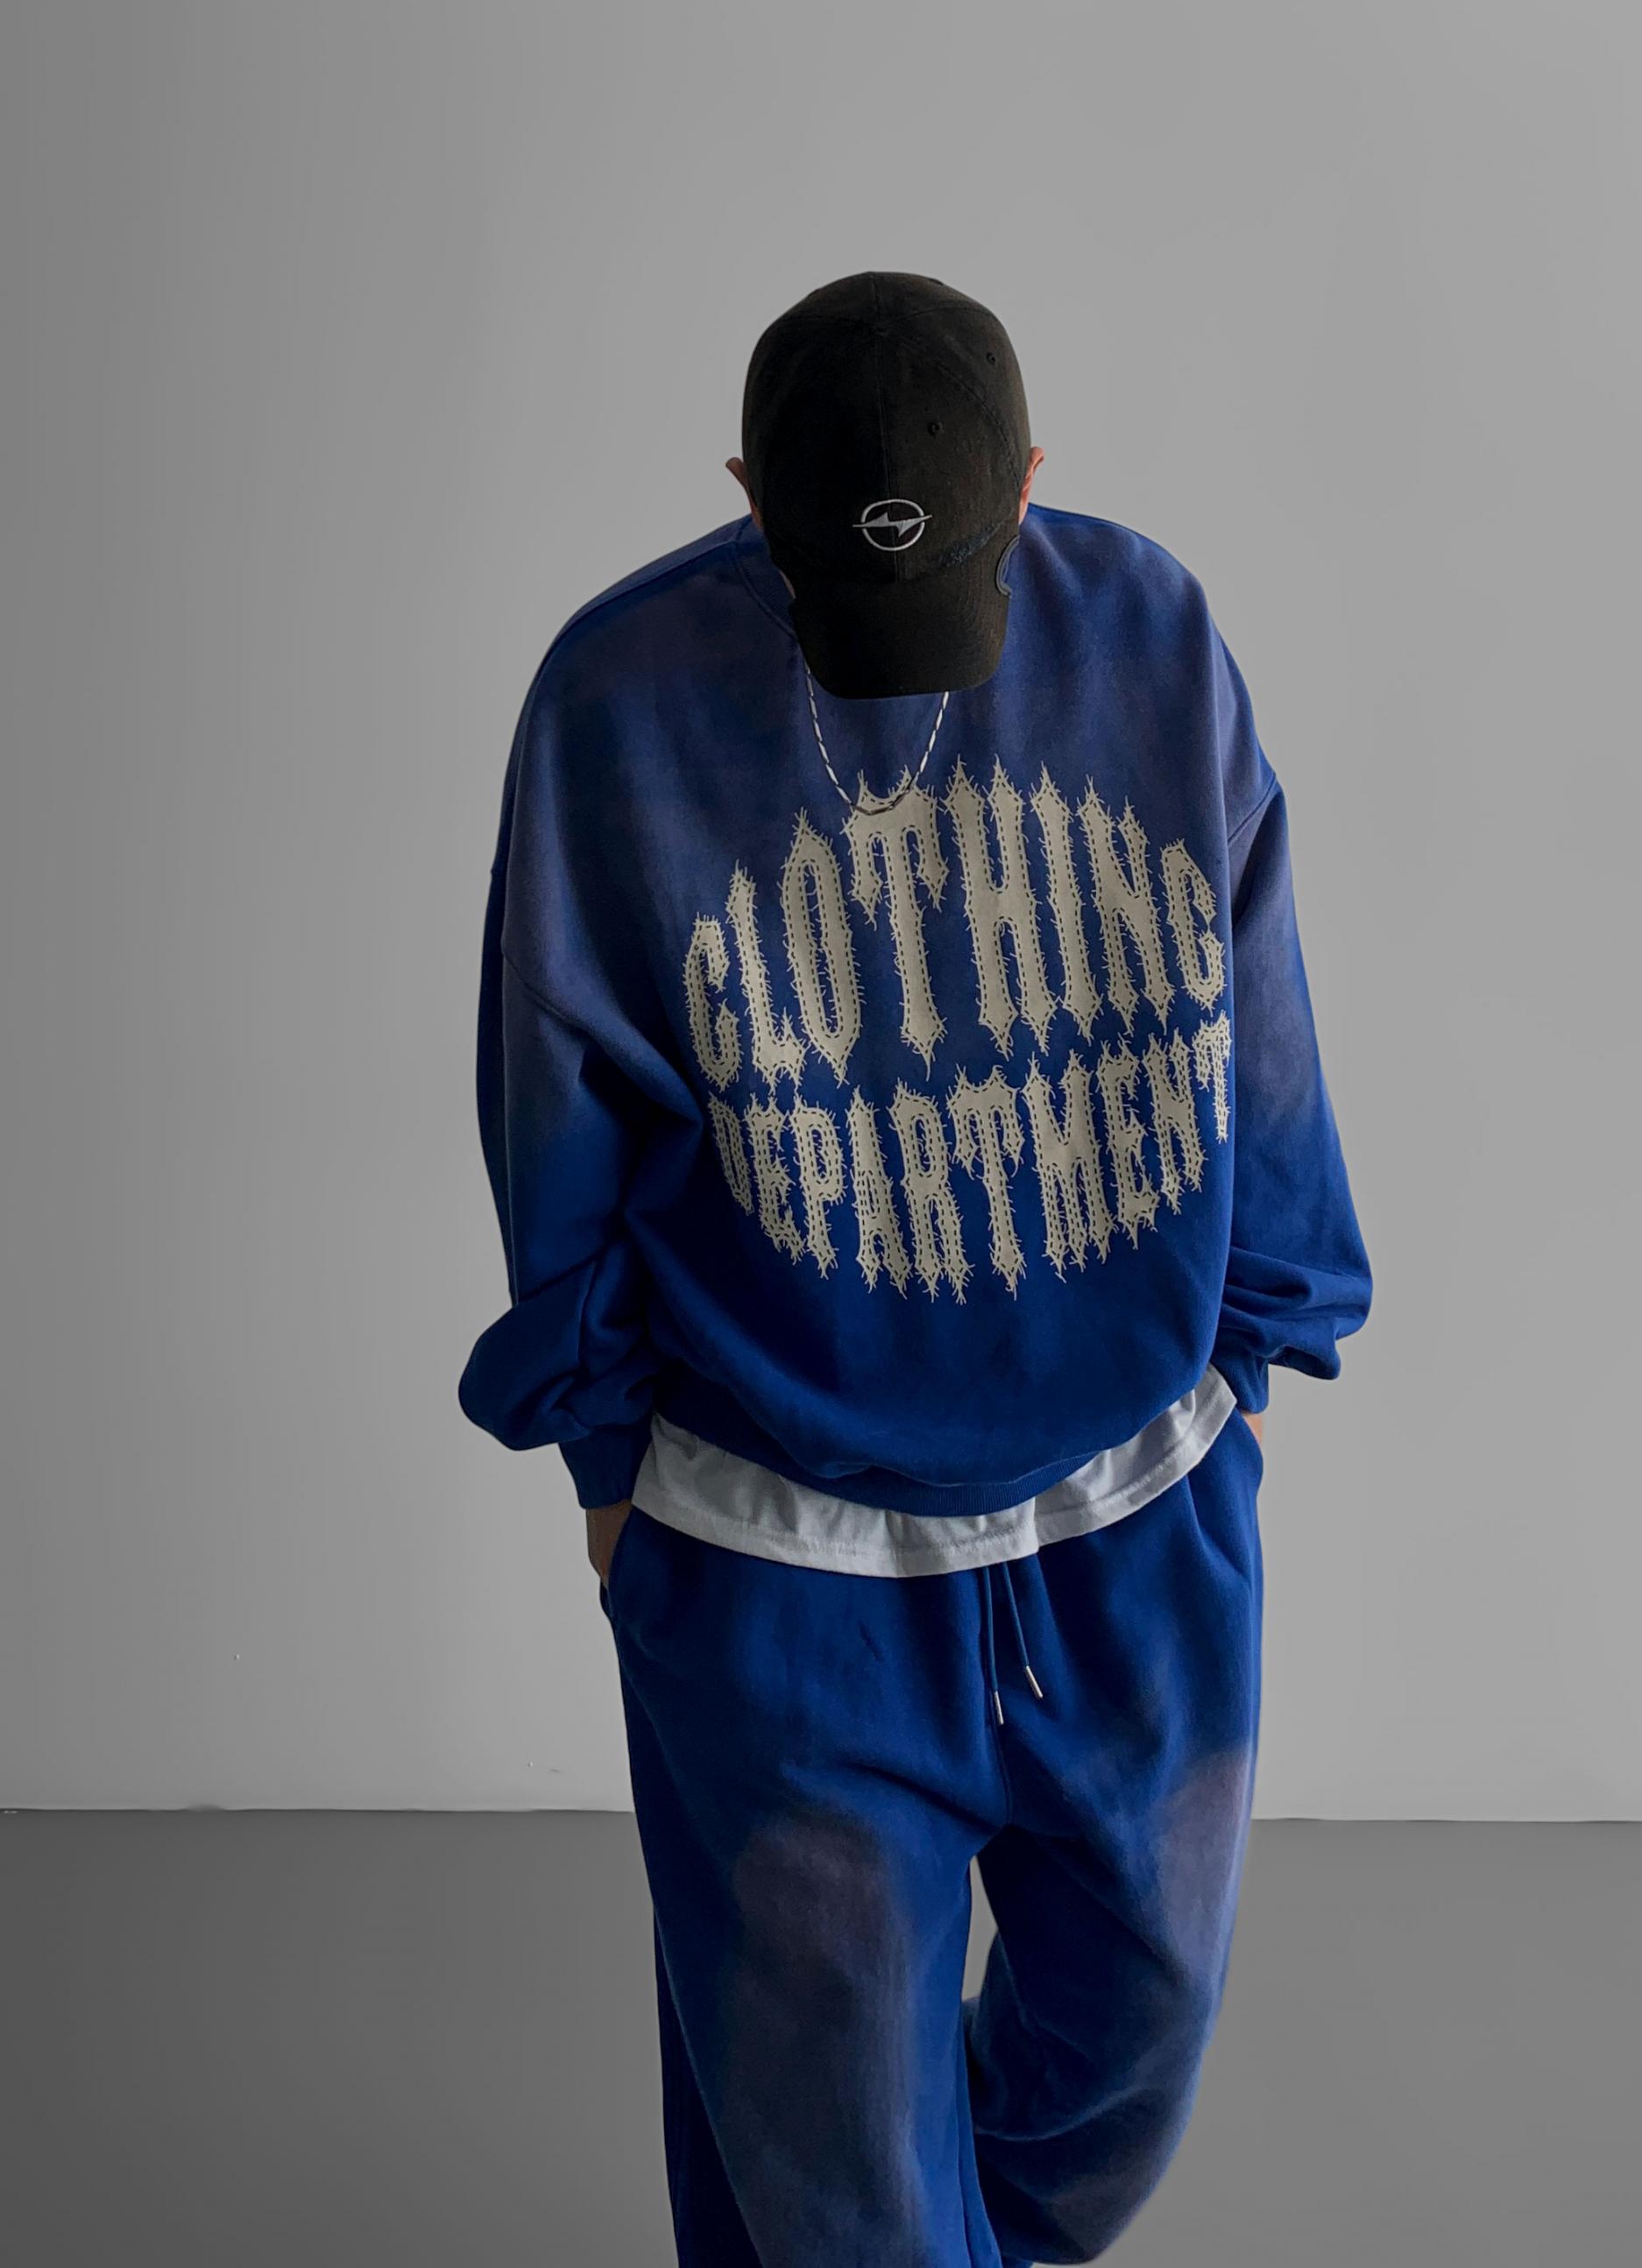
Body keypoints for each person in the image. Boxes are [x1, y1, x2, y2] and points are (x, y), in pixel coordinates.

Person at [459, 270, 1373, 2267]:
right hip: (781, 1557)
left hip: (1134, 1526)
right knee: (842, 2182)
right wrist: (609, 1467)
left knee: (1128, 2061)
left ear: (1031, 488)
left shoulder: (1156, 635)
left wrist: (1255, 1364)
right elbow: (554, 1103)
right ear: (746, 499)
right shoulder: (614, 697)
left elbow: (1263, 1003)